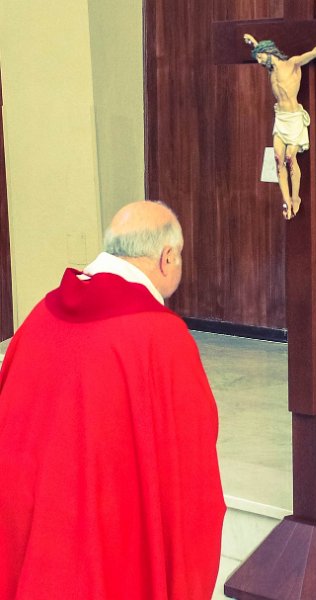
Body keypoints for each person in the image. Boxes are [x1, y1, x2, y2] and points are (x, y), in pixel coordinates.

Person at [0, 201, 225, 599]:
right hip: (112, 548)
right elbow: (191, 471)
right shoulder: (161, 337)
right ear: (167, 258)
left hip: (39, 540)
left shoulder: (41, 316)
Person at [244, 27, 316, 220]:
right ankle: (286, 199)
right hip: (280, 118)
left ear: (269, 53)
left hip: (294, 118)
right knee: (278, 158)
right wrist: (253, 42)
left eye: (260, 57)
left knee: (290, 158)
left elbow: (315, 53)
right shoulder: (270, 71)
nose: (259, 61)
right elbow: (261, 51)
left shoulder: (292, 64)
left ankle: (295, 197)